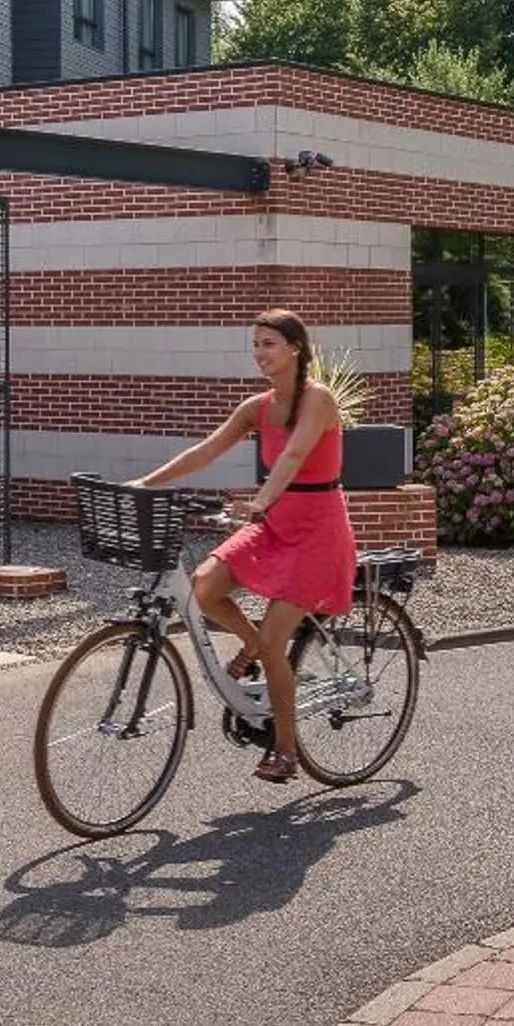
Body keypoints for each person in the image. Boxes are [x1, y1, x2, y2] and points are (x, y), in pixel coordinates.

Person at [132, 307, 357, 784]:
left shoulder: (318, 399)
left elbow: (295, 455)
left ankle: (286, 751)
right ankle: (251, 644)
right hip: (274, 524)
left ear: (295, 348)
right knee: (204, 586)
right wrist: (144, 484)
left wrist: (261, 501)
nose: (259, 353)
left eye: (268, 343)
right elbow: (205, 450)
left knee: (278, 643)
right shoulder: (258, 406)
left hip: (317, 531)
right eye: (254, 344)